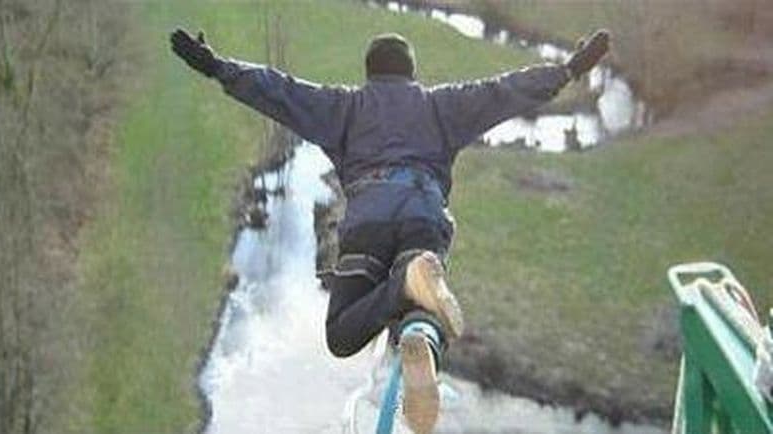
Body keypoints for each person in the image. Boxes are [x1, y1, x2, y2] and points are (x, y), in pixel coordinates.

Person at [171, 27, 609, 433]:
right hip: (422, 218)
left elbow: (279, 90)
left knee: (342, 334)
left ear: (369, 74)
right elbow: (503, 92)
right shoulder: (440, 105)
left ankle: (405, 290)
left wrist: (216, 66)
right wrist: (568, 70)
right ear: (411, 74)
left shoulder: (343, 107)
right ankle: (416, 320)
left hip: (367, 224)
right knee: (424, 304)